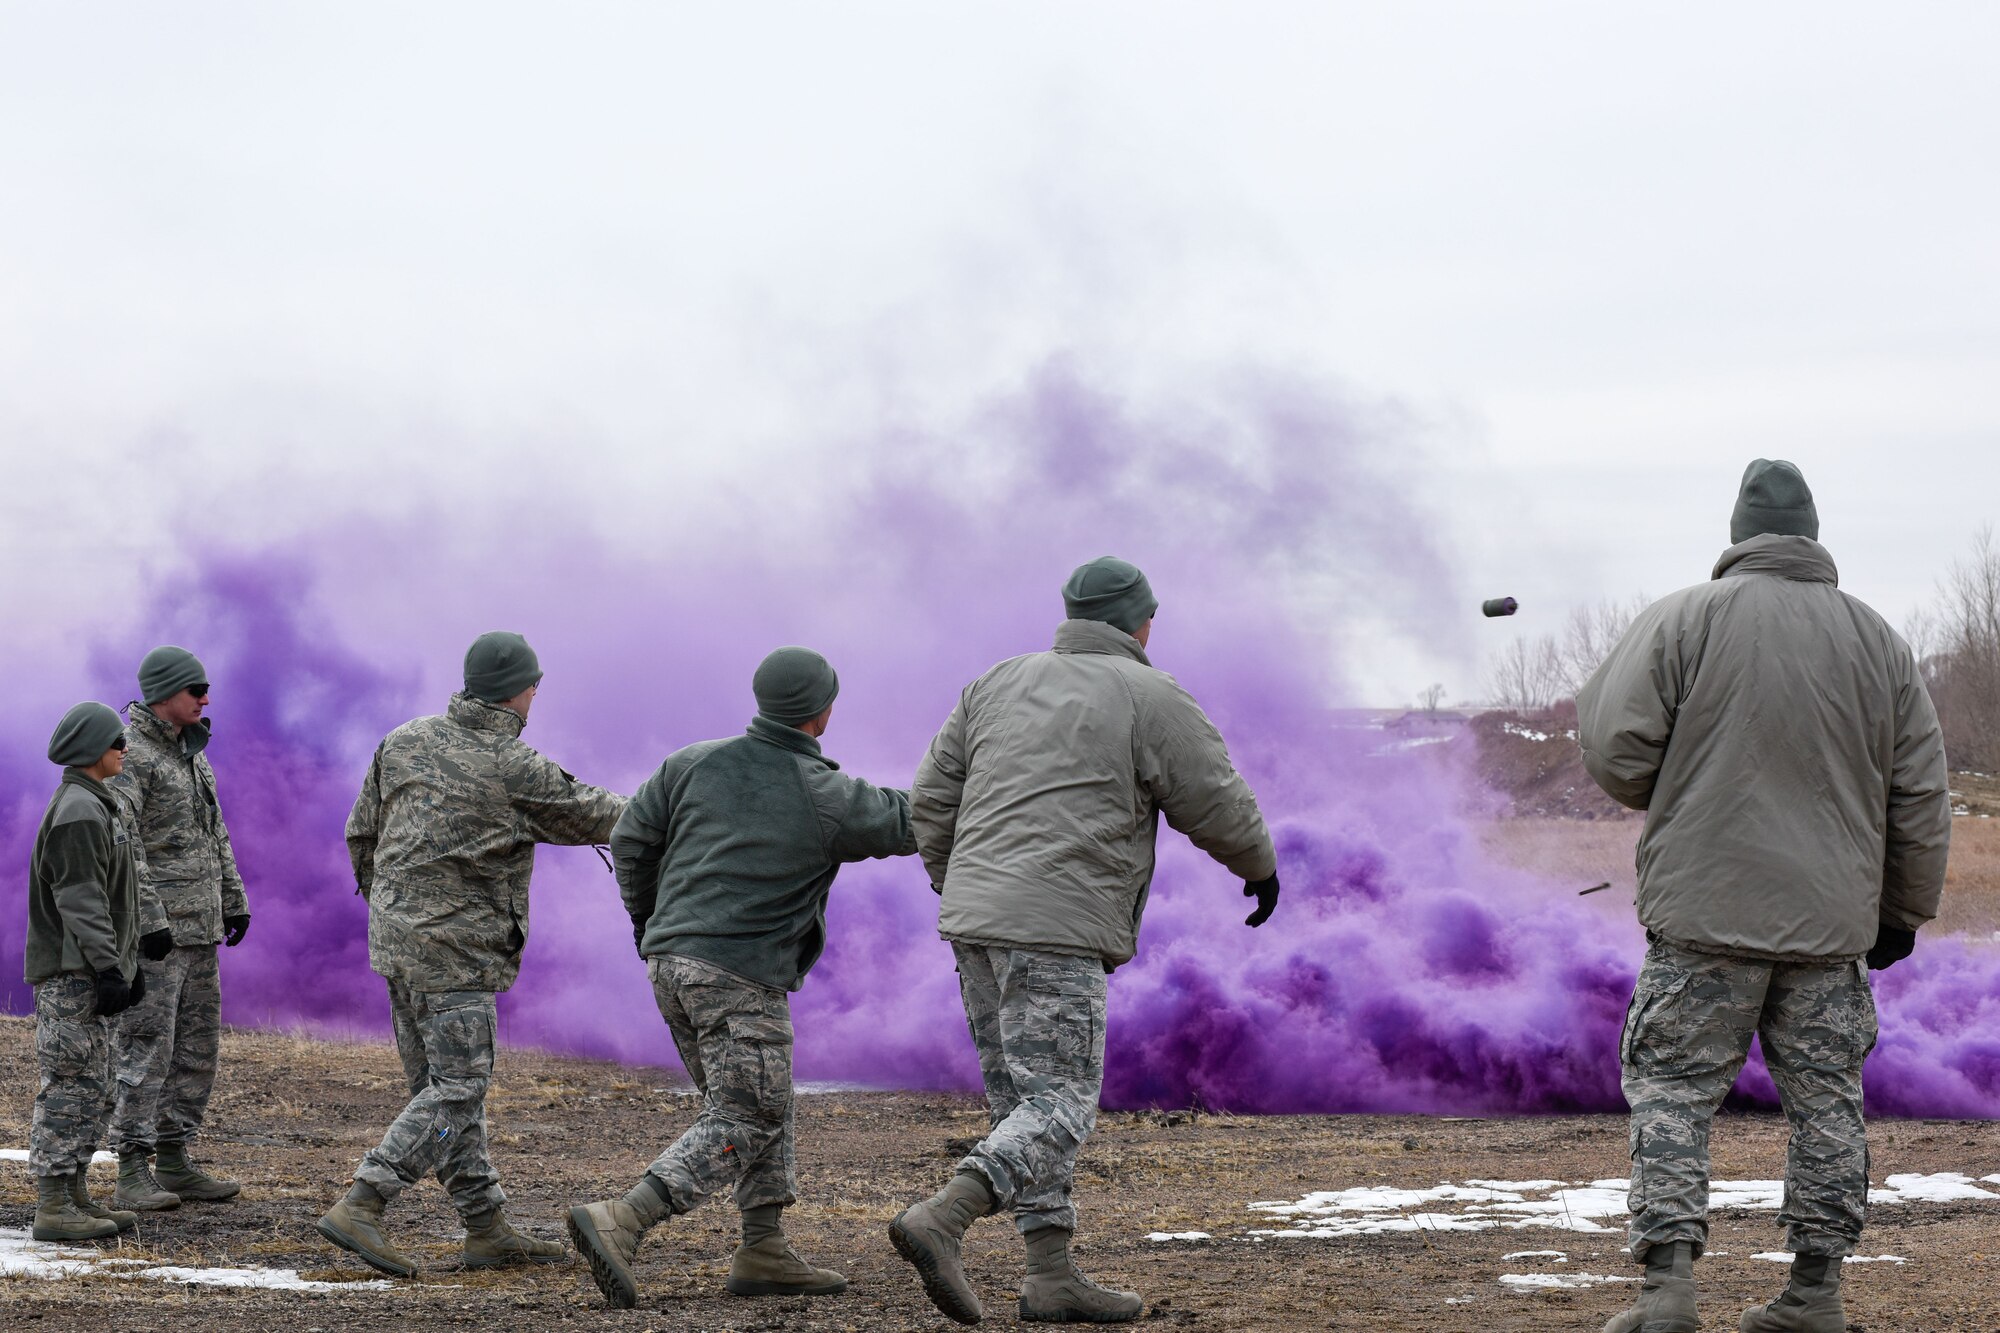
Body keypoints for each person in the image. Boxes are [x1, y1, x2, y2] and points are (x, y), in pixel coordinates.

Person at [1578, 461, 1951, 1333]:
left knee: (1671, 1088)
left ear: (1740, 532)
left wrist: (1674, 784)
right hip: (1830, 929)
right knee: (1828, 1101)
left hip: (1703, 916)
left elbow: (1614, 747)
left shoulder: (1684, 619)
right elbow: (1920, 794)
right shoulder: (1878, 641)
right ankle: (1816, 1298)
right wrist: (1903, 911)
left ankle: (1667, 1293)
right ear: (1813, 536)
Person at [891, 557, 1280, 1326]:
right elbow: (1214, 795)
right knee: (1061, 1101)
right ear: (1138, 621)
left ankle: (1050, 1274)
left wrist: (958, 883)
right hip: (1056, 925)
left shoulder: (994, 681)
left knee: (1021, 1105)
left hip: (976, 922)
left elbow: (931, 799)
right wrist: (1259, 864)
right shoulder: (1146, 693)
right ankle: (944, 1215)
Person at [566, 646, 916, 1309]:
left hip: (672, 963)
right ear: (824, 710)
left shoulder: (690, 763)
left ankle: (763, 1247)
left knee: (758, 1102)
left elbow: (633, 838)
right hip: (738, 973)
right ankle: (624, 1217)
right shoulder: (827, 796)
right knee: (749, 1111)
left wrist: (650, 922)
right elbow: (911, 819)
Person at [317, 631, 626, 1277]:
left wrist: (397, 909)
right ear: (519, 689)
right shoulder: (513, 766)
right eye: (534, 683)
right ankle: (364, 1200)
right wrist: (690, 804)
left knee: (443, 1090)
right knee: (456, 1090)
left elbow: (360, 832)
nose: (537, 693)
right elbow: (601, 815)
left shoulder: (402, 740)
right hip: (456, 956)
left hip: (399, 945)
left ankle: (486, 1228)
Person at [107, 646, 249, 1211]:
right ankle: (132, 1168)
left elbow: (215, 836)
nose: (207, 699)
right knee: (147, 1048)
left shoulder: (193, 755)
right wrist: (148, 920)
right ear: (164, 694)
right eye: (196, 691)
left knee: (195, 1049)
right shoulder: (130, 755)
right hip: (158, 938)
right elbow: (124, 845)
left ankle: (174, 1157)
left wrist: (233, 901)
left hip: (200, 931)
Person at [27, 703, 148, 1241]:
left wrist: (128, 962)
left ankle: (74, 1194)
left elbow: (115, 897)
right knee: (70, 1084)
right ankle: (54, 1205)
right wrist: (108, 965)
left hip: (93, 968)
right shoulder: (79, 809)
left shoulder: (99, 803)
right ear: (90, 749)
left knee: (94, 1085)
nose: (124, 746)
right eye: (116, 740)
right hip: (73, 972)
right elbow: (81, 899)